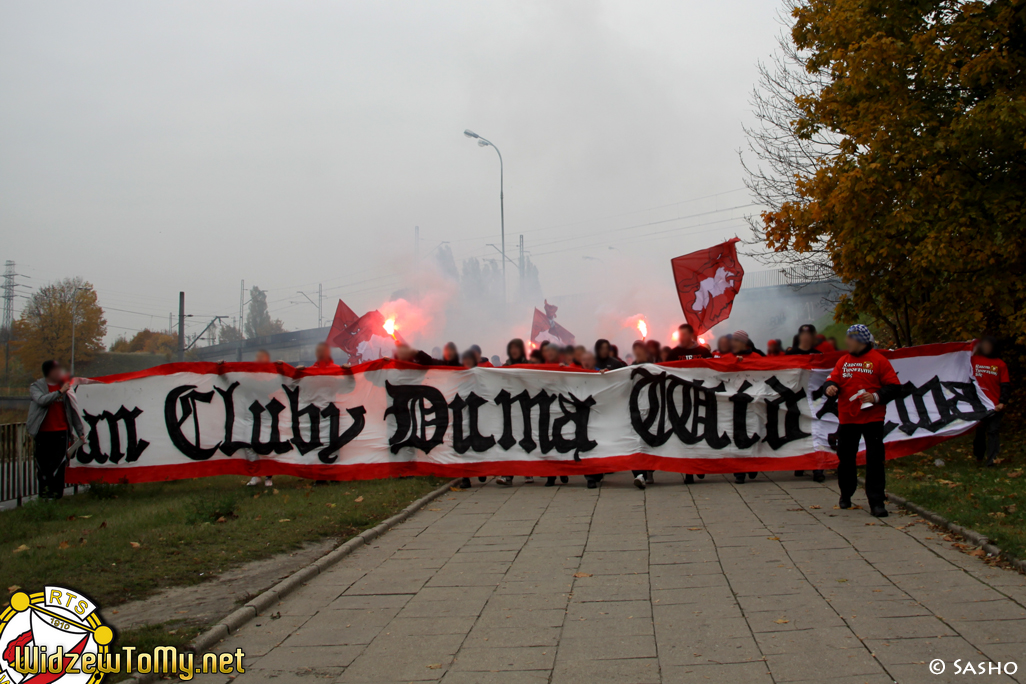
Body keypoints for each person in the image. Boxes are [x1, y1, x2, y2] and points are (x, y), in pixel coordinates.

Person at [823, 324, 902, 517]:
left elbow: (894, 387)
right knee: (846, 458)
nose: (846, 342)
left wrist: (875, 397)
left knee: (874, 459)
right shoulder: (843, 361)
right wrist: (830, 387)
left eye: (849, 338)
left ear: (860, 341)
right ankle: (846, 494)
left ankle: (876, 502)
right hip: (848, 418)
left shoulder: (879, 361)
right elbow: (832, 379)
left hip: (872, 418)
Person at [27, 360, 85, 500]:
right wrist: (59, 392)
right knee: (43, 465)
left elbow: (72, 410)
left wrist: (80, 432)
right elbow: (41, 401)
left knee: (59, 463)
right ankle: (44, 495)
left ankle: (57, 496)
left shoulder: (65, 388)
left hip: (61, 431)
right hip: (43, 432)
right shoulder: (37, 386)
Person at [786, 324, 826, 482]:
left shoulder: (819, 355)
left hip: (815, 399)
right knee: (799, 431)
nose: (806, 337)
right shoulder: (792, 354)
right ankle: (800, 463)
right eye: (803, 334)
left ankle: (818, 468)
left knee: (816, 432)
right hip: (797, 398)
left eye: (809, 334)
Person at [971, 336, 1010, 467]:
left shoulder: (1000, 364)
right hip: (979, 405)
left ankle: (992, 459)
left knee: (993, 431)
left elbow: (1005, 385)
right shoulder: (974, 360)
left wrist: (1002, 402)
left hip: (994, 405)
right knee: (980, 432)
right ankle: (979, 455)